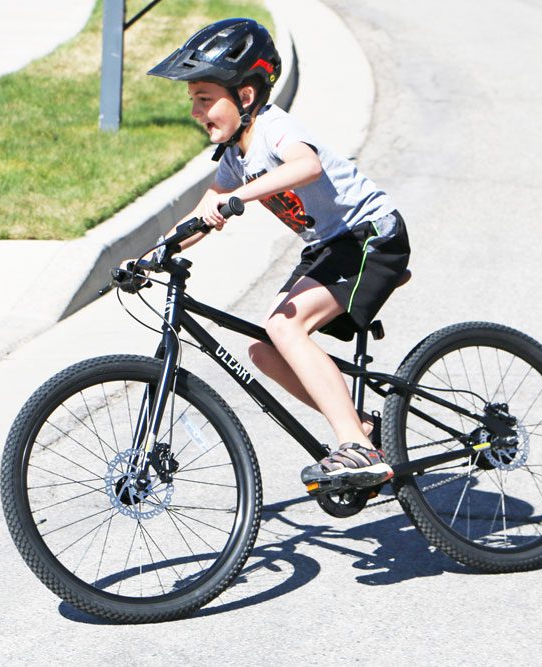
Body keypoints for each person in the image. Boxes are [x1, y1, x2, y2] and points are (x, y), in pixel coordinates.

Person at [142, 18, 410, 490]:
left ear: (245, 97)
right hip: (331, 245)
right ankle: (362, 427)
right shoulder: (234, 157)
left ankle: (356, 447)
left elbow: (305, 165)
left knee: (287, 324)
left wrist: (241, 198)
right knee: (265, 349)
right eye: (192, 102)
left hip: (371, 235)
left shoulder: (273, 129)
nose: (195, 111)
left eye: (205, 99)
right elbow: (203, 212)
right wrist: (147, 258)